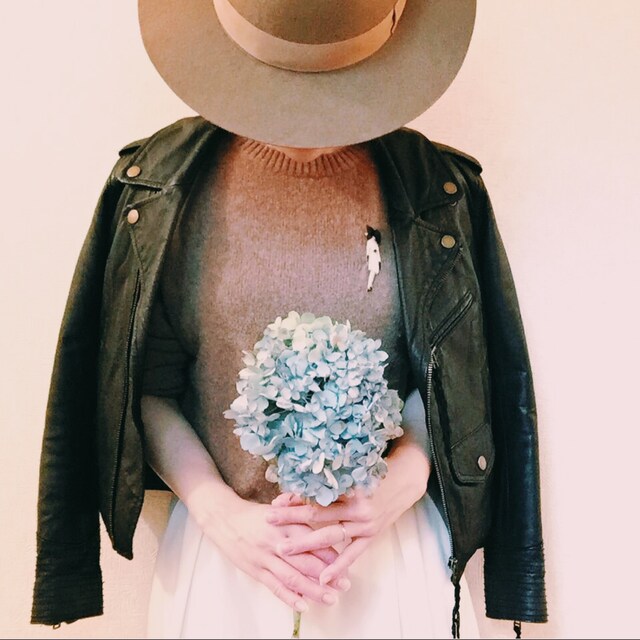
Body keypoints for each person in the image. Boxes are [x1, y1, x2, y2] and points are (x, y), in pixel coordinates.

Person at [31, 1, 548, 638]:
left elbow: (455, 375)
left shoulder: (437, 190)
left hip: (388, 556)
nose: (303, 121)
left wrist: (402, 482)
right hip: (224, 561)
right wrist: (219, 512)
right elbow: (146, 385)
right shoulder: (159, 185)